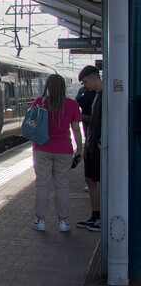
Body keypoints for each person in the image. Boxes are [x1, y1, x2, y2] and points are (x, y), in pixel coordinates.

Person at [29, 74, 83, 232]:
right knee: (62, 186)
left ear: (47, 86)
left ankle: (40, 220)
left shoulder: (40, 102)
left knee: (42, 185)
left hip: (41, 149)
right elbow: (76, 130)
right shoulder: (71, 105)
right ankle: (63, 222)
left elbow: (31, 123)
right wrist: (79, 148)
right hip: (64, 150)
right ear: (63, 87)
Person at [76, 65, 102, 232]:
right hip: (92, 144)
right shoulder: (98, 96)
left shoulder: (104, 96)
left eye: (85, 82)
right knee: (90, 180)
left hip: (97, 145)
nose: (85, 86)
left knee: (96, 181)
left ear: (93, 78)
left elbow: (99, 122)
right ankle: (95, 216)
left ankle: (99, 217)